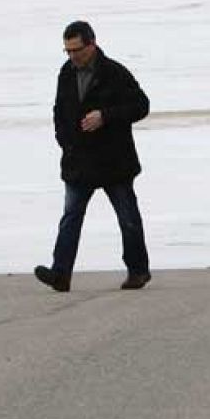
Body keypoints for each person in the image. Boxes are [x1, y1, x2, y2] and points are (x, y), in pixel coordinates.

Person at [35, 20, 152, 292]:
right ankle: (60, 274)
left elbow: (141, 106)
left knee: (128, 218)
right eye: (68, 51)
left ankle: (138, 271)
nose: (73, 56)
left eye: (77, 49)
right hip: (79, 162)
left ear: (92, 44)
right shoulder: (65, 73)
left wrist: (106, 116)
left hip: (114, 161)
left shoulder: (115, 72)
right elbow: (59, 112)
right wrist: (64, 142)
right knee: (70, 218)